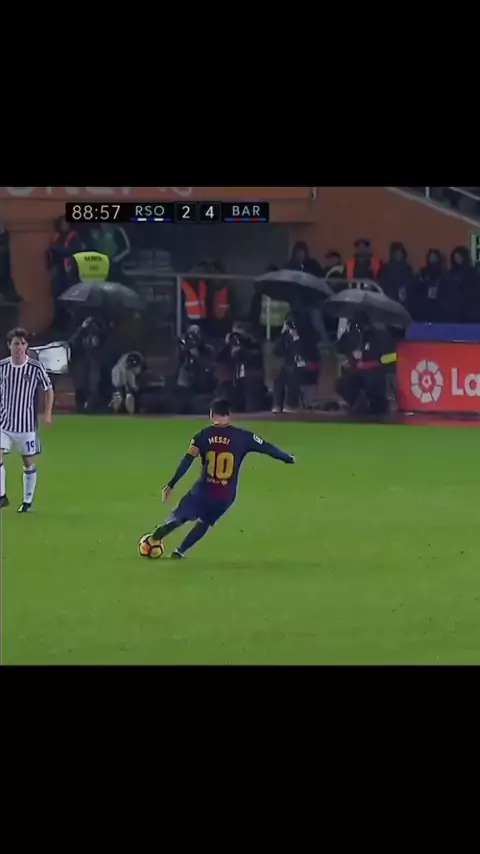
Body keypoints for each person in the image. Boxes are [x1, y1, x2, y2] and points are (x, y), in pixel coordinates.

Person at [141, 398, 295, 559]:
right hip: (226, 494)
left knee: (180, 516)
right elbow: (268, 448)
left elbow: (187, 460)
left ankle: (152, 540)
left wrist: (171, 484)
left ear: (211, 414)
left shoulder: (202, 436)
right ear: (230, 415)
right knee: (205, 522)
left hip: (204, 490)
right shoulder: (244, 437)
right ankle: (180, 552)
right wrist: (287, 458)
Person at [0, 327, 54, 512]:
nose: (19, 347)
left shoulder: (35, 367)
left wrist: (48, 412)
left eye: (22, 344)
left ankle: (27, 501)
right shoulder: (2, 367)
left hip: (26, 426)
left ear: (27, 346)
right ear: (9, 345)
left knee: (28, 463)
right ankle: (1, 496)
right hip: (4, 423)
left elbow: (48, 389)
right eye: (16, 344)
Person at [377, 242, 415, 308]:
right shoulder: (385, 268)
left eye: (400, 251)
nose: (398, 254)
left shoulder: (407, 268)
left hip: (403, 302)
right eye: (396, 252)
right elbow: (381, 283)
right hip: (388, 300)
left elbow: (411, 284)